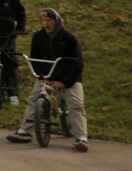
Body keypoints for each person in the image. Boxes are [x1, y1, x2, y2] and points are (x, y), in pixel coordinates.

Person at [6, 8, 89, 151]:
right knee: (33, 98)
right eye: (43, 21)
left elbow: (77, 65)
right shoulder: (38, 37)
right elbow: (36, 61)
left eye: (49, 20)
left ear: (56, 22)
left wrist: (64, 82)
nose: (46, 24)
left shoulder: (69, 39)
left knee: (76, 104)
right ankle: (25, 131)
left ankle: (81, 138)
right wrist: (43, 78)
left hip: (69, 77)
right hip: (46, 76)